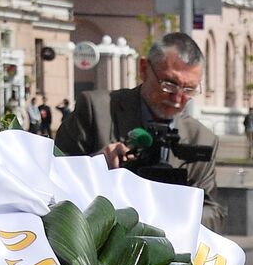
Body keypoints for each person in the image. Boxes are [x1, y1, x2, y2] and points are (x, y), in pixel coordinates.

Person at [55, 32, 225, 233]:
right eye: (169, 84)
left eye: (189, 89)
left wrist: (174, 214)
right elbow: (54, 181)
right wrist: (96, 164)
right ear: (144, 69)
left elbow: (213, 214)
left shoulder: (202, 138)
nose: (178, 98)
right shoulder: (96, 110)